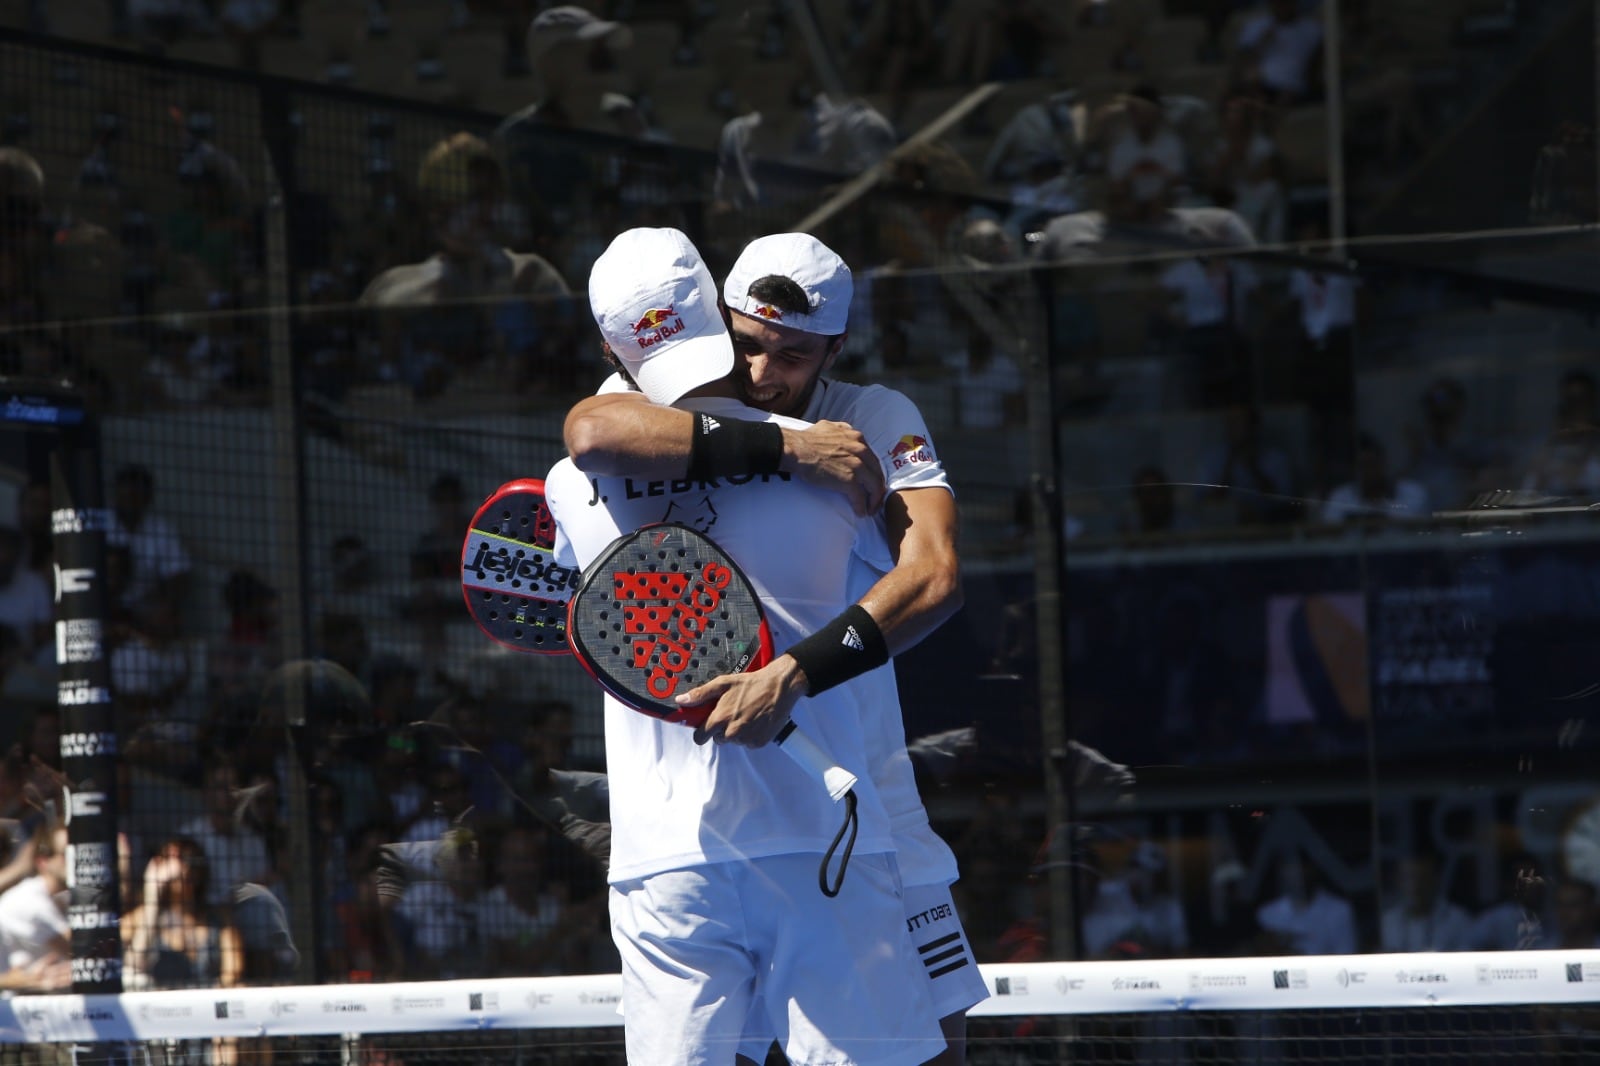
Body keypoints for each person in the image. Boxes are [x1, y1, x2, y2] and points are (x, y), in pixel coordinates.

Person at [563, 231, 986, 1064]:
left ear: (835, 347)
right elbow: (589, 427)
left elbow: (934, 577)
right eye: (747, 344)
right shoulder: (659, 395)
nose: (761, 374)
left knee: (941, 1047)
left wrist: (793, 674)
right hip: (699, 846)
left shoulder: (872, 414)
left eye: (791, 355)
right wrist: (791, 445)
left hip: (870, 809)